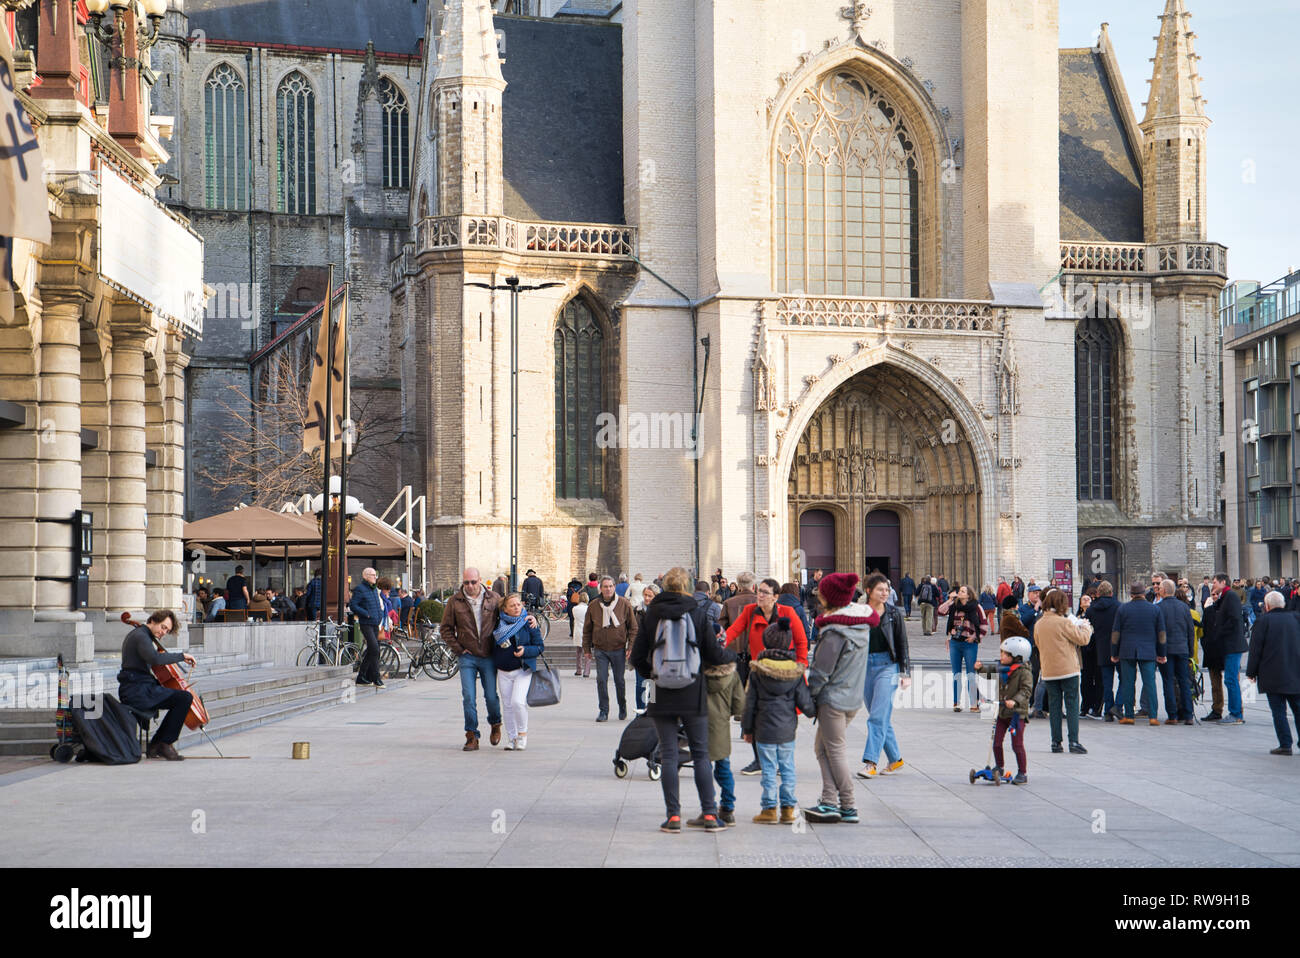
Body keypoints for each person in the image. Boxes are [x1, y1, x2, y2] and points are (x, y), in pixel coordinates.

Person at [630, 566, 735, 833]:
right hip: (692, 688)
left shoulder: (652, 613)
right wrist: (731, 657)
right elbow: (712, 654)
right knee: (700, 753)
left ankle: (673, 817)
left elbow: (637, 656)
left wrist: (652, 674)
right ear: (688, 587)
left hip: (660, 690)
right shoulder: (697, 613)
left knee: (668, 753)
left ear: (664, 586)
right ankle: (710, 815)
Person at [801, 573, 880, 821]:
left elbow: (821, 672)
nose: (818, 596)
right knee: (822, 748)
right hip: (851, 697)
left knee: (833, 750)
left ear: (830, 597)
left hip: (833, 699)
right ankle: (829, 801)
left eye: (821, 593)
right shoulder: (860, 624)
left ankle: (847, 804)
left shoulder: (835, 631)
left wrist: (809, 698)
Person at [725, 577, 808, 775]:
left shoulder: (787, 613)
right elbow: (734, 631)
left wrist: (802, 664)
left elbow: (801, 639)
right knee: (753, 714)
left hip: (784, 670)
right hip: (760, 671)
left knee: (786, 715)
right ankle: (759, 761)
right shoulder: (750, 611)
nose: (760, 595)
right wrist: (718, 643)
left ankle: (783, 760)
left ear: (775, 597)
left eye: (764, 592)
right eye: (759, 591)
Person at [741, 617, 814, 824]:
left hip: (763, 729)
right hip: (787, 729)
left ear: (766, 641)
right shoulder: (795, 671)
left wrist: (747, 729)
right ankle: (788, 809)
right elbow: (804, 701)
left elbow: (750, 703)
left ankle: (769, 809)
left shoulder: (757, 670)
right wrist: (814, 711)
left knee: (769, 769)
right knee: (788, 768)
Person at [116, 610, 195, 761]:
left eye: (167, 630)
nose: (164, 632)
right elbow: (154, 658)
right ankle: (162, 743)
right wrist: (181, 656)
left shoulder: (143, 635)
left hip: (140, 687)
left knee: (182, 698)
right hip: (136, 691)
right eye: (163, 627)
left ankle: (159, 743)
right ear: (152, 620)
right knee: (183, 698)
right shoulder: (140, 636)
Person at [441, 567, 504, 750]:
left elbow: (510, 616)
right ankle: (471, 735)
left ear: (480, 580)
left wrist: (528, 619)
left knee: (491, 696)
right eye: (466, 582)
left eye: (473, 582)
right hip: (467, 656)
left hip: (488, 655)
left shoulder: (494, 598)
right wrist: (459, 649)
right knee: (468, 696)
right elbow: (445, 628)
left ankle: (495, 723)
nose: (470, 586)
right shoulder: (455, 601)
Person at [1034, 588, 1092, 754]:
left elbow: (1038, 644)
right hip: (1068, 669)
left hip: (1049, 670)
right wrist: (1086, 627)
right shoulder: (1063, 622)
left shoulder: (1039, 624)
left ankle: (1055, 742)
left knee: (1054, 706)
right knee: (1072, 704)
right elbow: (1082, 639)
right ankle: (1073, 741)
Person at [1246, 590, 1300, 754]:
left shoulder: (1263, 621)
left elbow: (1255, 649)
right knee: (1298, 709)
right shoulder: (1296, 618)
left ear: (1267, 606)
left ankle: (1285, 744)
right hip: (1296, 672)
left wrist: (1251, 672)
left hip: (1272, 673)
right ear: (1283, 604)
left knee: (1278, 711)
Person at [974, 636, 1033, 785]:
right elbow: (989, 672)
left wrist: (1015, 701)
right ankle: (999, 767)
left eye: (1005, 654)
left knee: (1017, 744)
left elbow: (1026, 690)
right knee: (997, 742)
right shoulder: (1001, 667)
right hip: (1001, 712)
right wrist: (980, 668)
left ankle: (1022, 772)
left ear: (1017, 657)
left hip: (1016, 714)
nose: (1001, 656)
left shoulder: (1024, 672)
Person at [492, 592, 545, 751]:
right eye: (512, 606)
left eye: (518, 605)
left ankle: (522, 735)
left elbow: (539, 647)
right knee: (507, 706)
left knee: (517, 702)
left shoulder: (528, 622)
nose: (516, 608)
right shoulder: (498, 624)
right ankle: (512, 738)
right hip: (503, 671)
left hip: (522, 669)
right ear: (505, 610)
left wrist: (525, 651)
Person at [1110, 581, 1167, 725]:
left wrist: (1114, 652)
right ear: (1144, 594)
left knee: (1128, 683)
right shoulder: (1154, 610)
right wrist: (1162, 652)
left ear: (1131, 594)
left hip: (1127, 650)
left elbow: (1115, 633)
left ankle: (1129, 715)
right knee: (1150, 684)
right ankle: (1153, 716)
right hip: (1148, 651)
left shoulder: (1123, 609)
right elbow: (1161, 634)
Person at [583, 575, 636, 721]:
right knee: (601, 679)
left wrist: (630, 646)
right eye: (605, 586)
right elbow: (587, 629)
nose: (608, 589)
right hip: (600, 649)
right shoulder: (593, 605)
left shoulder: (624, 604)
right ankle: (603, 711)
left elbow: (633, 627)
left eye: (610, 586)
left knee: (619, 680)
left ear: (614, 587)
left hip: (618, 649)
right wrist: (586, 649)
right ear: (601, 588)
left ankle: (622, 706)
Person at [705, 644, 746, 826]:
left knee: (704, 769)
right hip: (721, 727)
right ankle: (727, 808)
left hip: (700, 725)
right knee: (724, 768)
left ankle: (709, 808)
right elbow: (739, 707)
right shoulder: (733, 674)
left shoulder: (699, 671)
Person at [1201, 573, 1247, 723]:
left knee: (1231, 679)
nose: (1213, 585)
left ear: (1222, 582)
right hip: (1227, 645)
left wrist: (1219, 633)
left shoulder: (1231, 596)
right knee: (1229, 679)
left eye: (1215, 582)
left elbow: (1234, 619)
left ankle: (1236, 714)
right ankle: (1234, 713)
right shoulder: (1225, 597)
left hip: (1232, 645)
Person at [1156, 580, 1196, 724]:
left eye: (1159, 588)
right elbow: (1190, 630)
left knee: (1168, 682)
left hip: (1166, 650)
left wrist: (1159, 652)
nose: (1158, 590)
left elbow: (1159, 632)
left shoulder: (1159, 608)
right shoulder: (1184, 607)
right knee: (1184, 682)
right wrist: (1190, 650)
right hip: (1182, 649)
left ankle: (1172, 715)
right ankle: (1188, 715)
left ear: (1164, 591)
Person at [940, 584, 984, 712]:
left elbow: (984, 625)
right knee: (956, 674)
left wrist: (975, 637)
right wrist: (949, 600)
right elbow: (940, 611)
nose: (960, 592)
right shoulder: (954, 606)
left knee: (971, 673)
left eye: (963, 591)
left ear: (969, 595)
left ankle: (973, 704)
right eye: (959, 591)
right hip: (955, 643)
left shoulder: (976, 607)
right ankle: (956, 703)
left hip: (970, 644)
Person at [1084, 581, 1121, 720]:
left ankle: (1108, 712)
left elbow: (1087, 628)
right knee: (1123, 679)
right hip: (1117, 647)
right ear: (1111, 593)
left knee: (1106, 682)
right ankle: (1116, 706)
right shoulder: (1119, 606)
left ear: (1098, 594)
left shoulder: (1092, 609)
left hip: (1101, 648)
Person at [347, 568, 386, 689]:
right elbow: (353, 605)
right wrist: (366, 613)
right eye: (373, 575)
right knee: (374, 649)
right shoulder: (360, 589)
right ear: (366, 576)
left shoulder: (374, 589)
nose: (375, 577)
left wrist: (379, 614)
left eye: (376, 574)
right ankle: (376, 677)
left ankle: (362, 677)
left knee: (371, 650)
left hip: (375, 623)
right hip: (366, 623)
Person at [632, 583, 659, 710]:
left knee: (652, 684)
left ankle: (650, 710)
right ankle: (640, 710)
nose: (647, 598)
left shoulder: (660, 613)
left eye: (650, 596)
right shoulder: (637, 610)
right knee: (640, 685)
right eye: (645, 595)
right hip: (641, 653)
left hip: (655, 653)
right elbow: (631, 629)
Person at [570, 591, 591, 677]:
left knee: (578, 652)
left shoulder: (574, 608)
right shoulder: (589, 608)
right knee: (587, 652)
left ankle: (578, 669)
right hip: (587, 631)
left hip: (578, 631)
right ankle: (586, 671)